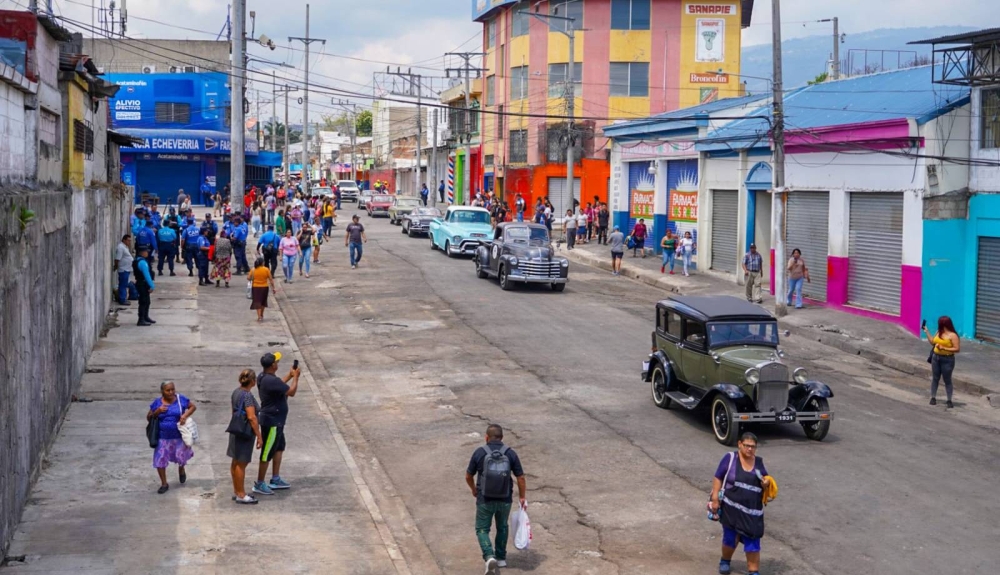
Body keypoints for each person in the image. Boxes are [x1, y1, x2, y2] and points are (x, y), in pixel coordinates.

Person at [465, 424, 526, 574]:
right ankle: (501, 558)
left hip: (485, 499)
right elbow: (520, 478)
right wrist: (522, 496)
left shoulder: (479, 452)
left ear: (486, 437)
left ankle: (489, 556)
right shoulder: (510, 453)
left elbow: (468, 476)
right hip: (505, 499)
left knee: (482, 529)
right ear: (502, 438)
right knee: (502, 527)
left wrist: (474, 489)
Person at [710, 432, 773, 575]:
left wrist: (766, 482)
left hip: (752, 514)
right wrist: (715, 499)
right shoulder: (730, 458)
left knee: (753, 543)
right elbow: (718, 476)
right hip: (731, 510)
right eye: (747, 445)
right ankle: (725, 561)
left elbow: (766, 479)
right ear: (739, 444)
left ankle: (753, 572)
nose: (750, 449)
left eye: (753, 446)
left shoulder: (758, 463)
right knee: (730, 538)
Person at [254, 352, 301, 496]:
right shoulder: (271, 380)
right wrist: (296, 378)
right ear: (273, 365)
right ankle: (260, 483)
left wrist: (290, 375)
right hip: (272, 422)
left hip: (278, 421)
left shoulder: (264, 377)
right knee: (267, 453)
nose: (278, 363)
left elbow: (280, 384)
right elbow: (291, 392)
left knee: (279, 448)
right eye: (276, 361)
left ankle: (275, 478)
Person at [147, 381, 196, 494]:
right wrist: (157, 412)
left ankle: (181, 469)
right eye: (168, 390)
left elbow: (193, 407)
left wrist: (185, 415)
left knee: (181, 457)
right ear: (162, 391)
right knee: (160, 460)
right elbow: (149, 418)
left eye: (172, 389)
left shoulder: (180, 399)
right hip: (162, 437)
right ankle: (164, 483)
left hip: (179, 436)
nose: (171, 392)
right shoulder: (157, 403)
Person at [229, 369, 263, 504]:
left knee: (235, 462)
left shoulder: (236, 392)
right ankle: (241, 494)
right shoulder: (247, 395)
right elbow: (251, 417)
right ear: (253, 381)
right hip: (245, 432)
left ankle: (237, 491)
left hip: (235, 429)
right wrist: (259, 435)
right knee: (242, 463)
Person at [923, 316, 960, 408]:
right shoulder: (938, 332)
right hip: (936, 357)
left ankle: (949, 400)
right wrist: (926, 331)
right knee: (935, 378)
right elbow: (932, 342)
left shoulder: (953, 335)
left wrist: (944, 348)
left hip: (947, 359)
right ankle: (933, 397)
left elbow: (957, 349)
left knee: (947, 379)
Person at [249, 258, 276, 322]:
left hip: (255, 287)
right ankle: (261, 314)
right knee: (263, 302)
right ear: (262, 263)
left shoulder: (253, 270)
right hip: (264, 287)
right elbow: (271, 279)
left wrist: (253, 278)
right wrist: (273, 288)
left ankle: (259, 316)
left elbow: (248, 277)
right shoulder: (266, 269)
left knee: (257, 301)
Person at [134, 246, 155, 326]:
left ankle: (146, 317)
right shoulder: (142, 262)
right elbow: (147, 275)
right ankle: (141, 319)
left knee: (147, 301)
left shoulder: (137, 260)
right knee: (143, 302)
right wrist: (152, 285)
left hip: (141, 283)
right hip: (142, 283)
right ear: (142, 252)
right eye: (146, 251)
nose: (147, 253)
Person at [115, 235, 133, 306]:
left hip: (126, 269)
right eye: (128, 240)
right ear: (124, 240)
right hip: (123, 269)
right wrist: (116, 266)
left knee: (124, 284)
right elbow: (117, 259)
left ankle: (123, 298)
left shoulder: (125, 247)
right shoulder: (121, 247)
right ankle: (122, 299)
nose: (129, 242)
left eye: (130, 241)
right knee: (123, 285)